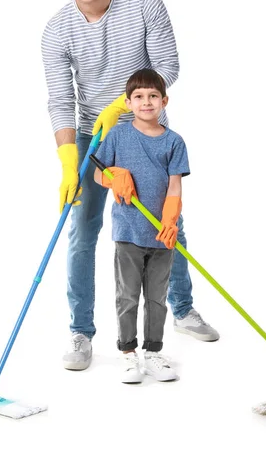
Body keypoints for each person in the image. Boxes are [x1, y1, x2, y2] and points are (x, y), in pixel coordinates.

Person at [41, 0, 219, 371]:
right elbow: (61, 100)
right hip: (94, 137)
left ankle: (181, 308)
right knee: (83, 229)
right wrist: (69, 162)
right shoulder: (56, 31)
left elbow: (167, 65)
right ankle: (81, 332)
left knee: (164, 221)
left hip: (146, 127)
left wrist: (123, 104)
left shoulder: (143, 3)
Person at [94, 69, 187, 383]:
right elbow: (97, 174)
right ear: (128, 101)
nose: (146, 102)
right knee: (128, 296)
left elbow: (175, 186)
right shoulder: (118, 136)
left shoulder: (174, 142)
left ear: (164, 100)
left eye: (152, 96)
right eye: (138, 96)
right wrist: (112, 175)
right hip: (128, 231)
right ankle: (129, 353)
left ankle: (153, 352)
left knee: (158, 297)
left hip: (162, 234)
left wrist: (171, 219)